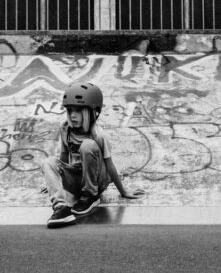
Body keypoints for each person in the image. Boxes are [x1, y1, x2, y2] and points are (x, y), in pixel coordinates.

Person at [41, 81, 145, 228]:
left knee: (87, 145)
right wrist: (56, 180)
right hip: (78, 179)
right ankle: (61, 209)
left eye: (78, 111)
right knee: (48, 162)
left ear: (91, 112)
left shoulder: (98, 134)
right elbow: (63, 158)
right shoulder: (65, 129)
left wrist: (124, 191)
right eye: (70, 111)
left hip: (97, 181)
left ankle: (90, 196)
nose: (73, 115)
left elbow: (109, 166)